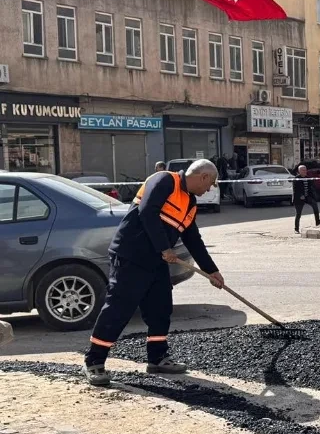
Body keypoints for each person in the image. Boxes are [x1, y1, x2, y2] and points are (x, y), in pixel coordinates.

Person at [81, 159, 225, 387]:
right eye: (210, 184)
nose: (208, 190)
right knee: (119, 308)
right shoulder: (165, 180)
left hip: (156, 262)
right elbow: (147, 212)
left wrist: (211, 271)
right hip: (131, 256)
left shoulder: (189, 203)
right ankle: (94, 361)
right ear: (204, 177)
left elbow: (193, 240)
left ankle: (157, 358)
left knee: (160, 308)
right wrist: (164, 248)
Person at [293, 164, 320, 234]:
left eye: (305, 170)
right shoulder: (296, 179)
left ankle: (318, 221)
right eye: (303, 170)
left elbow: (311, 188)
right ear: (299, 171)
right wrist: (300, 195)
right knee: (298, 214)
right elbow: (295, 190)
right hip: (299, 198)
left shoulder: (308, 178)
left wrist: (314, 196)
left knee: (315, 205)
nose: (305, 171)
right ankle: (296, 229)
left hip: (307, 197)